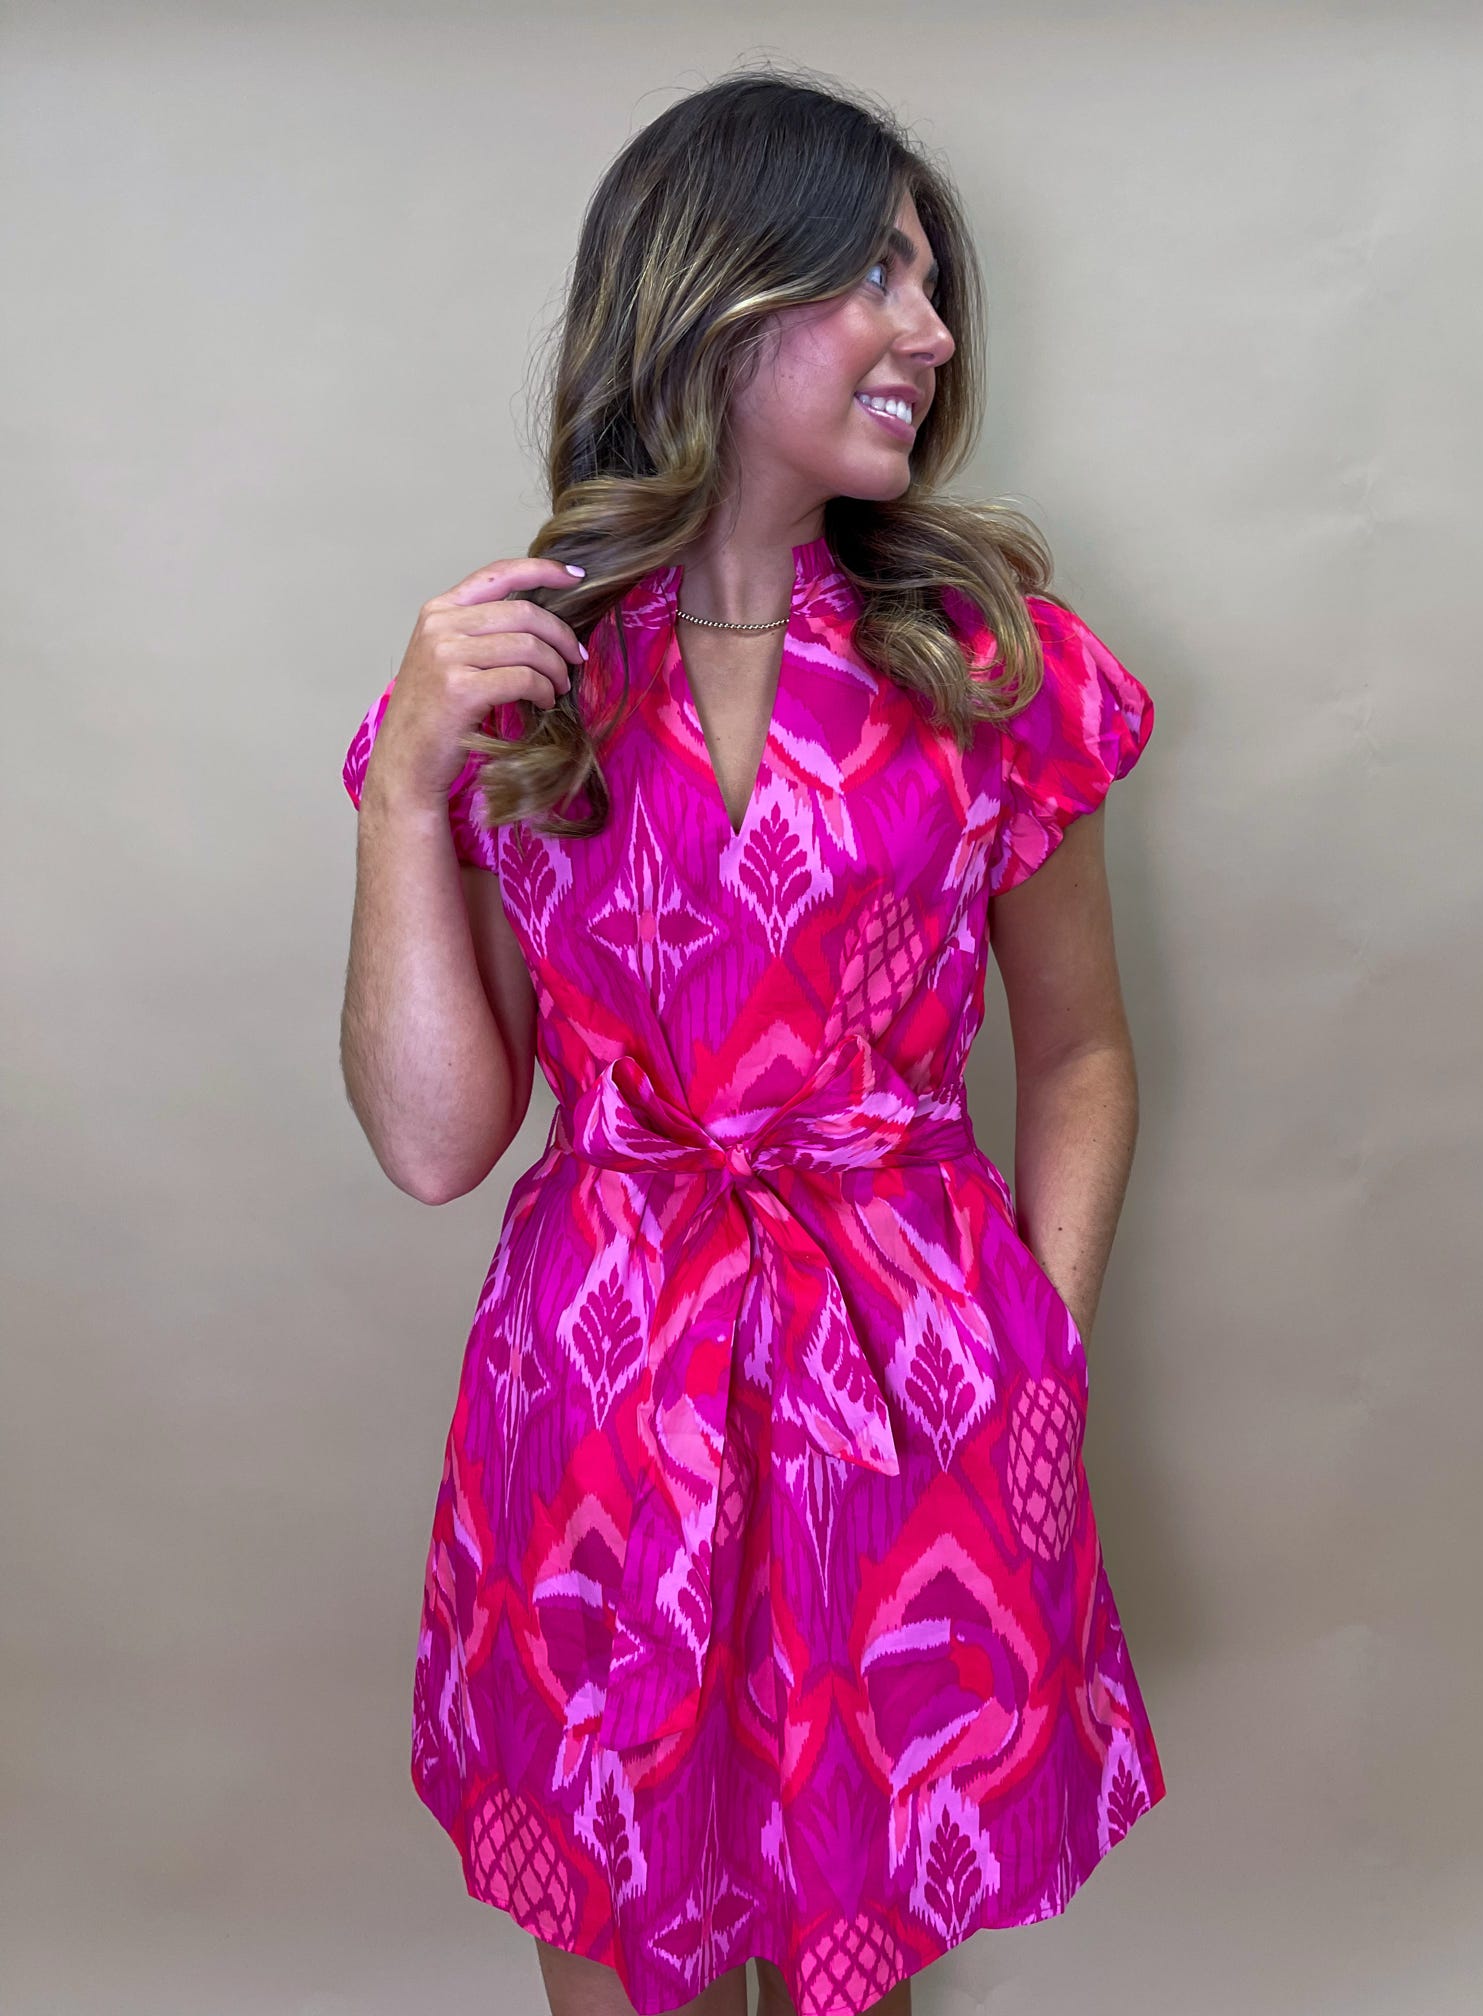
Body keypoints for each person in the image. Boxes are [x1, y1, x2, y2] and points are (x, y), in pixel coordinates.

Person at [339, 65, 1166, 2016]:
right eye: (877, 275)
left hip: (908, 1385)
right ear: (716, 291)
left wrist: (1034, 1351)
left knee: (855, 1942)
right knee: (612, 1937)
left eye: (934, 285)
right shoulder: (531, 683)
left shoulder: (986, 665)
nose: (931, 332)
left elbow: (1079, 1055)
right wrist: (400, 794)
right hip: (599, 1397)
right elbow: (438, 1142)